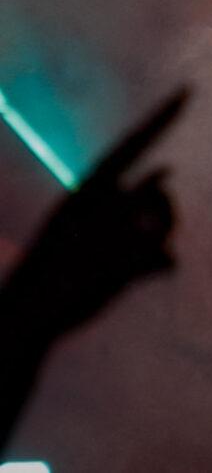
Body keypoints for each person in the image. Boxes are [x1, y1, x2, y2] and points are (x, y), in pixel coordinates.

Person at [0, 88, 187, 456]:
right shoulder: (93, 229)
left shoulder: (113, 251)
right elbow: (124, 158)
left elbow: (123, 160)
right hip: (16, 344)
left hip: (18, 346)